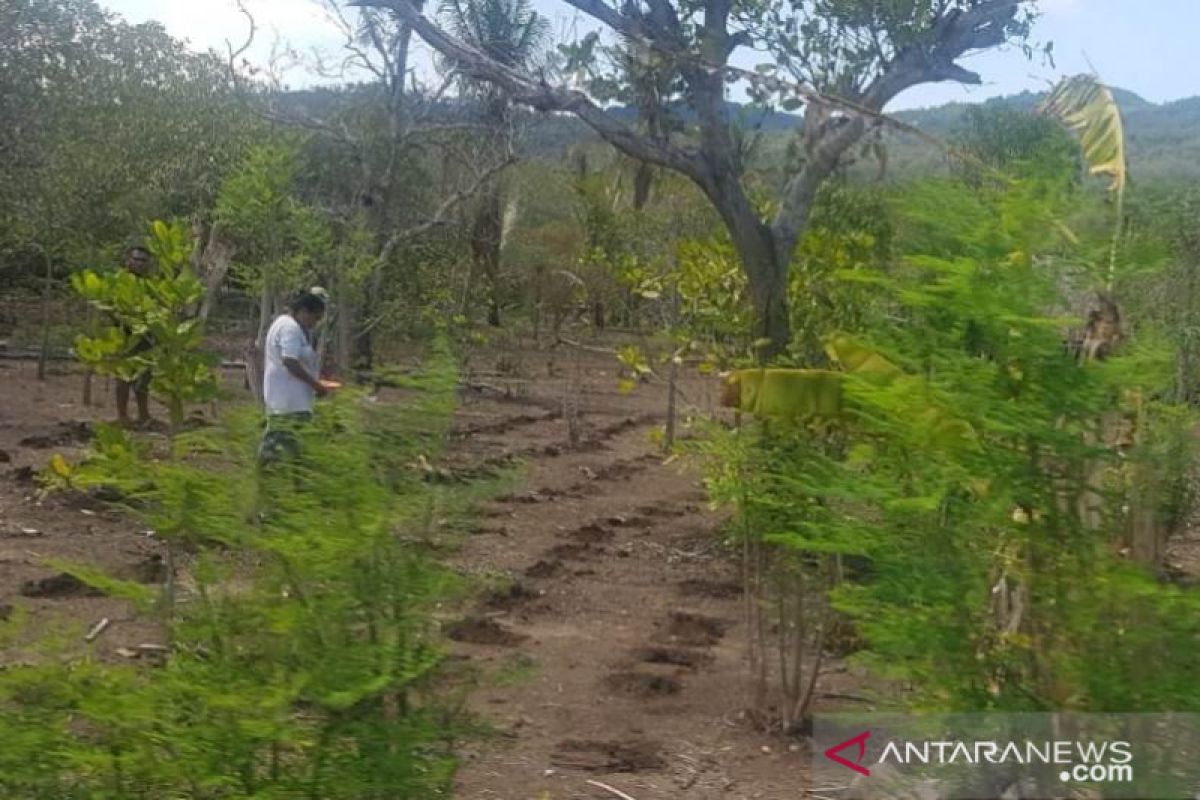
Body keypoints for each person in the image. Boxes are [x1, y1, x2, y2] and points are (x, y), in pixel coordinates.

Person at [259, 291, 332, 462]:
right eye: (315, 318)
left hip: (291, 401)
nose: (315, 323)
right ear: (303, 311)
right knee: (278, 449)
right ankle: (268, 484)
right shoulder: (290, 328)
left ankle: (283, 484)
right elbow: (290, 361)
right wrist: (316, 385)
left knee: (293, 450)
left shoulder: (290, 326)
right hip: (289, 403)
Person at [115, 245, 155, 427]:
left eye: (143, 260)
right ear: (127, 261)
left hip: (147, 337)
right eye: (136, 259)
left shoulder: (152, 285)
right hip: (124, 334)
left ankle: (143, 414)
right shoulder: (119, 282)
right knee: (123, 376)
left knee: (144, 377)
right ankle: (123, 416)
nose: (139, 263)